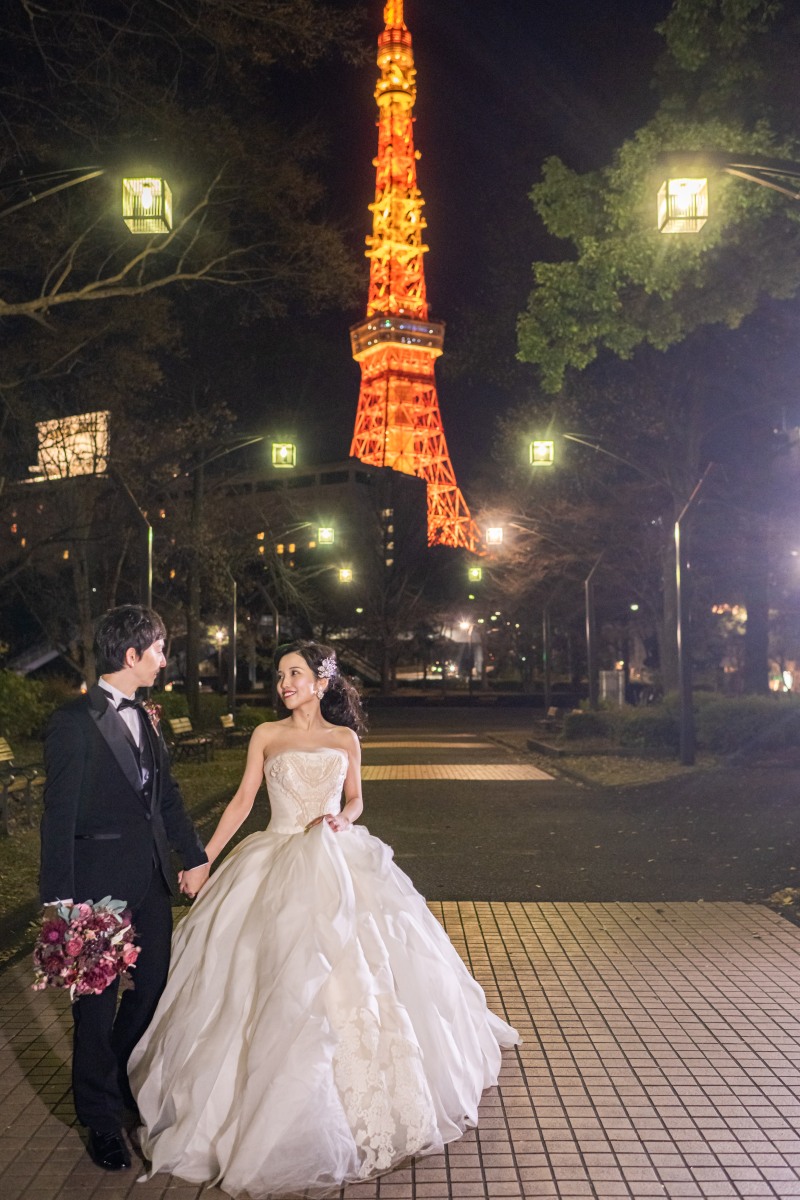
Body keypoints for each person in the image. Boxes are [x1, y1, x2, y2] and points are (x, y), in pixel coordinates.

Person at [129, 639, 519, 1199]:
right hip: (274, 856)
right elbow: (242, 801)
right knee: (264, 975)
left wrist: (342, 820)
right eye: (279, 675)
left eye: (294, 674)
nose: (283, 684)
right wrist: (204, 859)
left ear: (321, 682)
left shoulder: (345, 738)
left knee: (357, 970)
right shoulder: (267, 735)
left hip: (336, 857)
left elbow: (356, 799)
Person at [39, 605, 210, 1172]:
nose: (165, 659)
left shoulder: (149, 716)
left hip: (152, 880)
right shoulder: (71, 722)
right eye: (159, 649)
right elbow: (57, 814)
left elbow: (166, 798)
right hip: (94, 887)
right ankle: (100, 1118)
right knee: (94, 1006)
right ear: (131, 656)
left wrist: (195, 855)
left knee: (153, 986)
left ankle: (109, 1078)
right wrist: (59, 901)